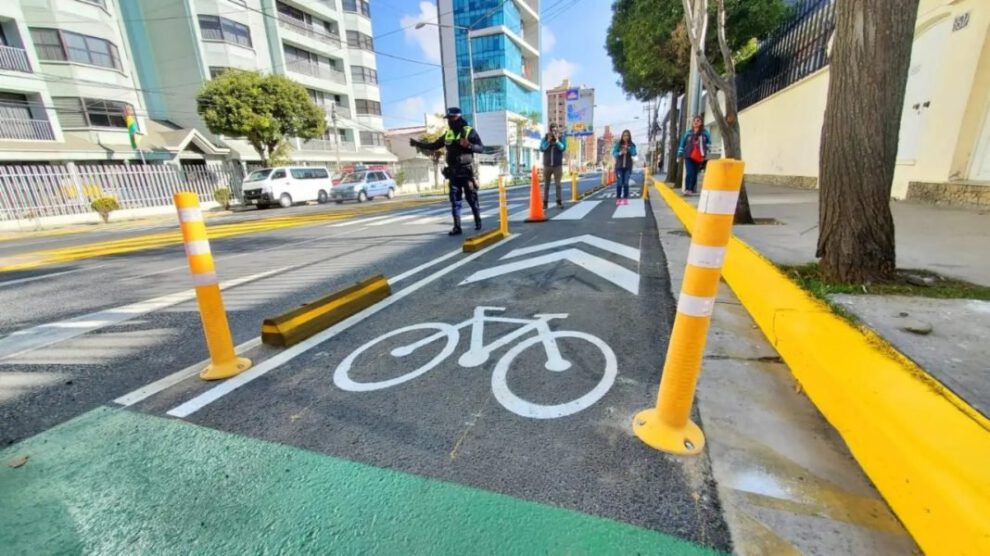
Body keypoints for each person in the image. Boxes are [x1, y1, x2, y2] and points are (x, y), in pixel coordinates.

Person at [410, 107, 483, 235]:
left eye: (452, 118)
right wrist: (417, 143)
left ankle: (478, 221)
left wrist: (469, 145)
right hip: (453, 173)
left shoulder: (469, 131)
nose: (449, 121)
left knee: (471, 198)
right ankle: (457, 227)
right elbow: (434, 145)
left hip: (466, 172)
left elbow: (481, 148)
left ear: (458, 117)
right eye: (448, 118)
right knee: (455, 200)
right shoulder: (448, 134)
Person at [677, 115, 712, 196]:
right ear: (692, 123)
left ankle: (691, 189)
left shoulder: (705, 133)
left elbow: (709, 144)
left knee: (695, 173)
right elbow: (682, 144)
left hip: (698, 156)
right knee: (689, 172)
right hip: (688, 155)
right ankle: (687, 189)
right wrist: (679, 154)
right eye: (694, 121)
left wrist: (705, 152)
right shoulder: (688, 133)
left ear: (701, 122)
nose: (696, 122)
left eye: (698, 121)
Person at [539, 123, 566, 209]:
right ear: (550, 130)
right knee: (546, 185)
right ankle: (545, 203)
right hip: (547, 166)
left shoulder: (561, 138)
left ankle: (559, 202)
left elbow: (563, 148)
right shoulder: (545, 138)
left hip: (557, 166)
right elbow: (541, 148)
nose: (554, 131)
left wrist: (557, 141)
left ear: (557, 130)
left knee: (558, 185)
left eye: (555, 130)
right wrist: (548, 141)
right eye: (552, 130)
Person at [611, 130, 637, 205]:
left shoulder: (632, 145)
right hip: (619, 167)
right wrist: (620, 152)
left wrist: (628, 149)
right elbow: (614, 153)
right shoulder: (618, 144)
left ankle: (625, 198)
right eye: (624, 135)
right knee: (619, 183)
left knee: (626, 183)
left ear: (629, 136)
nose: (626, 137)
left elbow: (634, 153)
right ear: (622, 136)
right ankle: (618, 198)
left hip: (628, 167)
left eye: (627, 135)